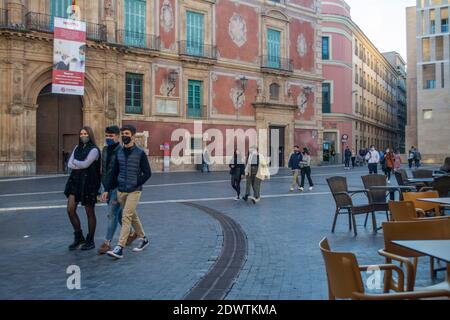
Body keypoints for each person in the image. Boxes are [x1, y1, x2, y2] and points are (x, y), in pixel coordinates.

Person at [103, 125, 152, 259]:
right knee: (132, 216)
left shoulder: (140, 153)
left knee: (125, 216)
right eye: (123, 133)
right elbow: (114, 173)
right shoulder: (119, 152)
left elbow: (147, 173)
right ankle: (144, 238)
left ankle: (119, 247)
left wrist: (137, 182)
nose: (124, 136)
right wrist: (107, 189)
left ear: (133, 136)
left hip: (134, 190)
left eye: (126, 133)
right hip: (121, 191)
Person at [97, 126, 137, 255]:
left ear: (117, 137)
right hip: (106, 186)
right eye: (107, 136)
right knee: (119, 214)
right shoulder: (104, 150)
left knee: (111, 214)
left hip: (117, 187)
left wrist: (109, 189)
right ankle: (131, 233)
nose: (108, 138)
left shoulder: (122, 151)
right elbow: (103, 170)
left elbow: (117, 173)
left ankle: (107, 243)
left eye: (111, 136)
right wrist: (102, 187)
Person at [64, 126, 101, 251]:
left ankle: (90, 240)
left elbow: (86, 164)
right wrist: (79, 164)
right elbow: (69, 164)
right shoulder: (77, 147)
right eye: (81, 133)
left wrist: (77, 163)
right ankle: (78, 236)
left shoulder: (94, 150)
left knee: (89, 212)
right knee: (70, 209)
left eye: (85, 133)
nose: (83, 135)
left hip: (89, 183)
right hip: (75, 182)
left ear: (89, 135)